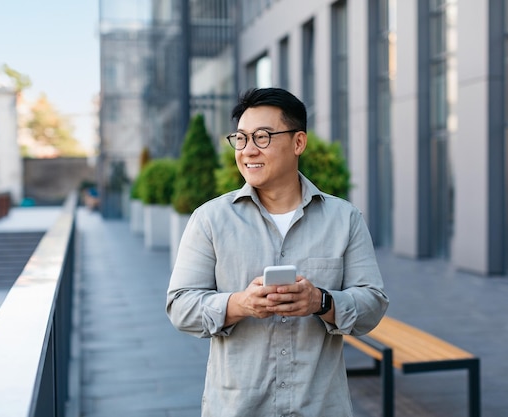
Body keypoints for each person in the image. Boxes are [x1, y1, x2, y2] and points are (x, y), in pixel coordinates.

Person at [166, 87, 389, 417]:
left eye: (262, 137)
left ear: (298, 142)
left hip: (320, 407)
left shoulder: (345, 219)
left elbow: (373, 303)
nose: (248, 151)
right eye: (240, 139)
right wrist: (241, 304)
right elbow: (180, 305)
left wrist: (322, 302)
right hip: (239, 408)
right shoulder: (210, 219)